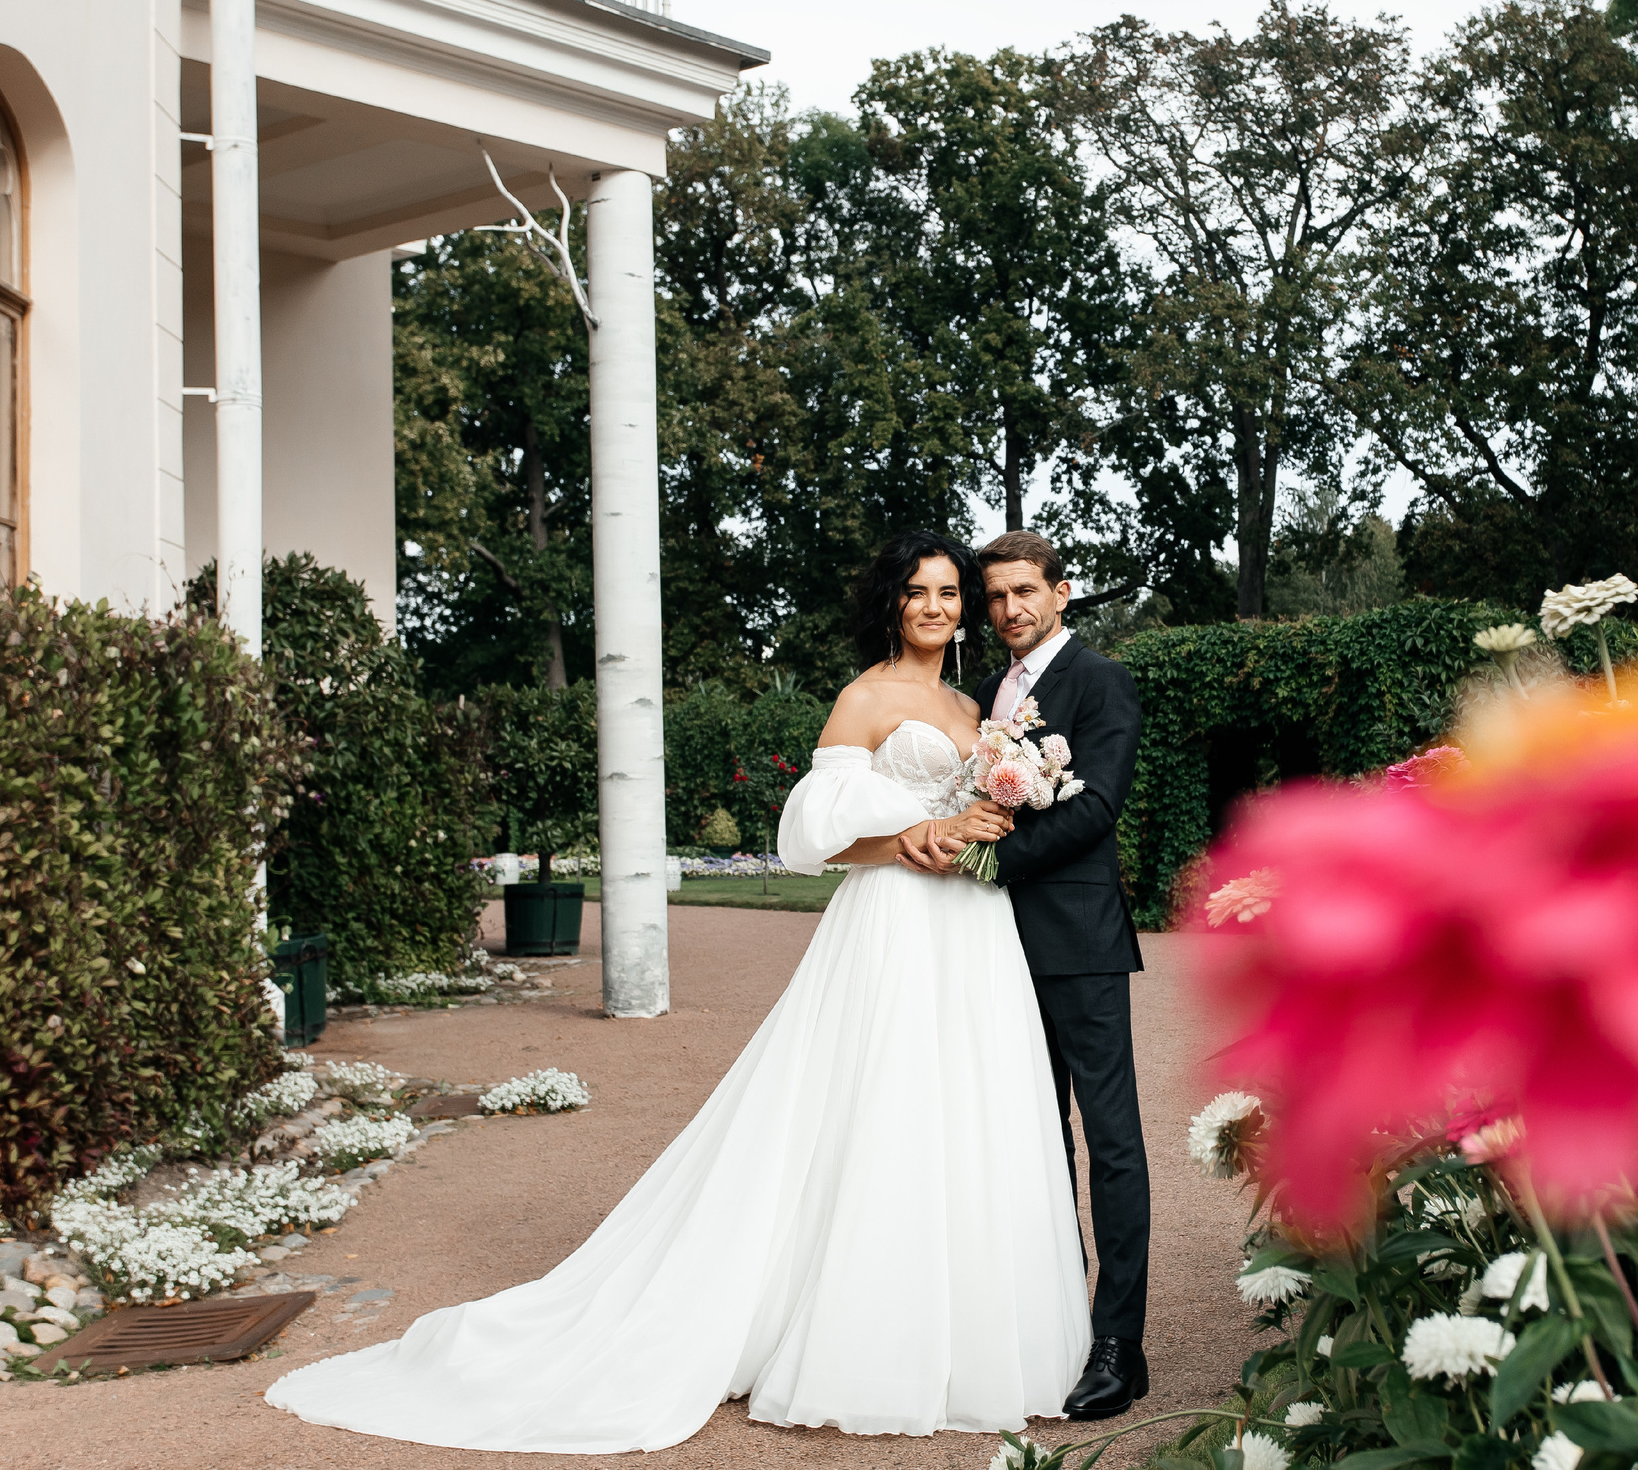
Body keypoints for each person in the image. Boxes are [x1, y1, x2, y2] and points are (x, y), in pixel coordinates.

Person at [265, 531, 1091, 1452]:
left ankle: (970, 1339)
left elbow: (977, 818)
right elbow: (808, 841)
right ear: (892, 603)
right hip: (895, 925)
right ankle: (864, 1342)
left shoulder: (972, 703)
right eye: (918, 591)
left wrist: (980, 823)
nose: (936, 606)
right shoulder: (866, 696)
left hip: (970, 931)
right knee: (877, 1108)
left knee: (964, 1111)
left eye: (948, 591)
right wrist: (909, 838)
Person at [900, 529, 1151, 1421]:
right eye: (995, 595)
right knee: (1033, 1139)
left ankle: (1122, 1340)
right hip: (997, 952)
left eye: (1023, 592)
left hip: (1078, 940)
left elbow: (1100, 807)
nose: (1008, 608)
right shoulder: (982, 695)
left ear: (1062, 592)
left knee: (1111, 1139)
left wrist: (990, 864)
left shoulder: (1100, 681)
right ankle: (1054, 1326)